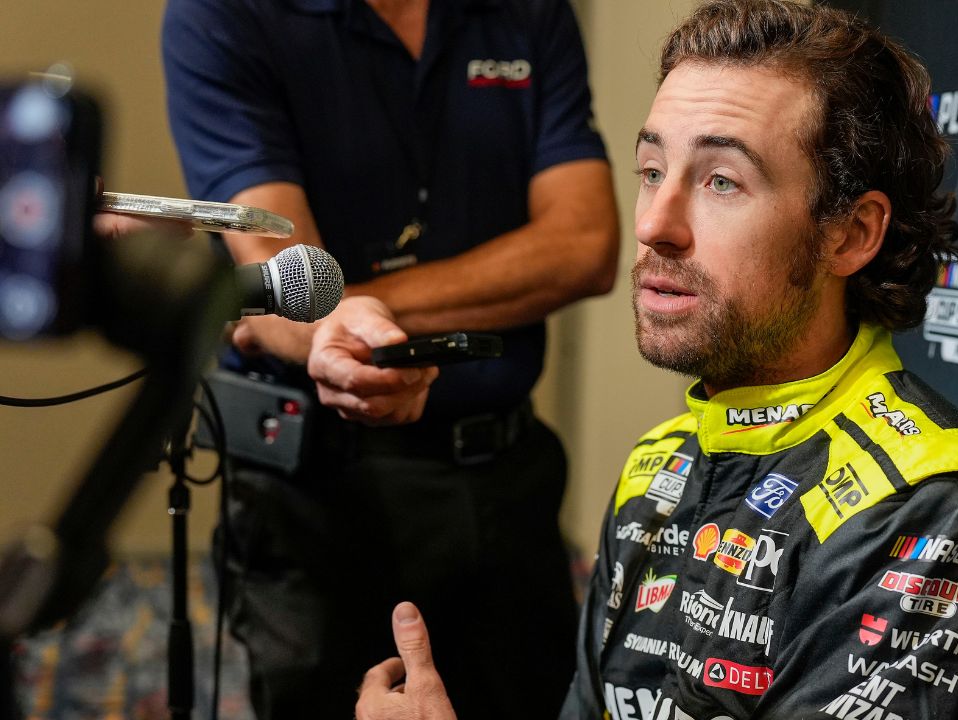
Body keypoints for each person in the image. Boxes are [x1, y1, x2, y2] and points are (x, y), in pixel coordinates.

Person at [347, 1, 958, 718]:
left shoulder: (936, 511)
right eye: (651, 171)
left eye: (720, 181)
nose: (654, 224)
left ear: (850, 234)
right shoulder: (658, 465)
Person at [160, 0, 620, 716]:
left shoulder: (532, 13)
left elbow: (585, 246)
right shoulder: (222, 14)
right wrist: (322, 322)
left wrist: (349, 310)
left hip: (502, 479)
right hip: (318, 493)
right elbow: (283, 266)